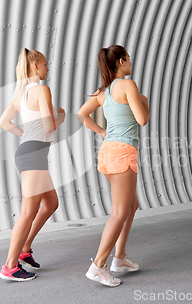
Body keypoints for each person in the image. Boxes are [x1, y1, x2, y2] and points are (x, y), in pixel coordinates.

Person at [77, 45, 150, 287]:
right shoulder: (128, 85)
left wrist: (101, 131)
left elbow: (81, 114)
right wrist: (144, 102)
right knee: (120, 212)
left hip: (108, 152)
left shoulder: (103, 91)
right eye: (127, 59)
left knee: (131, 205)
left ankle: (119, 258)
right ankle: (98, 266)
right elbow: (143, 119)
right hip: (122, 153)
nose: (130, 62)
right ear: (120, 62)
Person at [0, 48, 65, 281]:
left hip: (30, 152)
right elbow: (49, 127)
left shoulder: (22, 92)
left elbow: (4, 122)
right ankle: (9, 266)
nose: (48, 68)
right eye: (45, 64)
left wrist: (25, 133)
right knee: (28, 211)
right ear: (35, 66)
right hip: (34, 155)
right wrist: (61, 117)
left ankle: (25, 249)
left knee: (51, 203)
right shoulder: (41, 89)